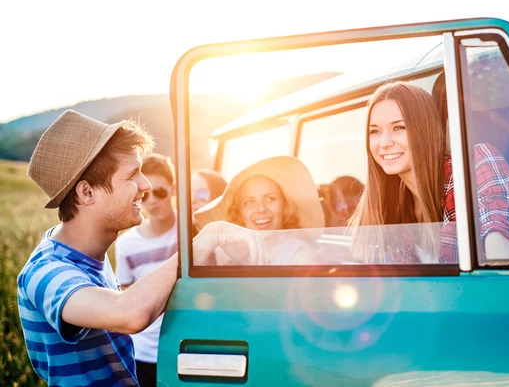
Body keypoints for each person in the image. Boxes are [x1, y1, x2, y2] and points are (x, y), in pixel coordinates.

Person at [17, 110, 261, 386]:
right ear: (86, 193)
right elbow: (129, 314)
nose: (145, 185)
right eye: (132, 175)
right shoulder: (46, 271)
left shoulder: (91, 255)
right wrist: (201, 243)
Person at [348, 82, 509, 264]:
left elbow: (501, 263)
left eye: (398, 127)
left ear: (425, 129)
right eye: (375, 131)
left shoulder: (474, 165)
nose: (384, 142)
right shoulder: (395, 207)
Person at [115, 153, 177, 387]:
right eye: (145, 194)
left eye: (160, 192)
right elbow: (126, 298)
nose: (152, 201)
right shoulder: (126, 244)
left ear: (173, 189)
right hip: (142, 353)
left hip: (183, 344)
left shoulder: (192, 230)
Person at [193, 156, 325, 265]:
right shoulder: (228, 255)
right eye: (249, 202)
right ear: (239, 212)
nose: (261, 209)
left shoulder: (302, 257)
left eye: (270, 199)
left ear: (284, 206)